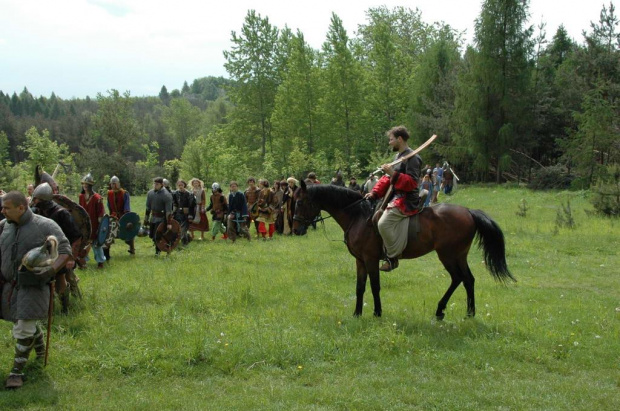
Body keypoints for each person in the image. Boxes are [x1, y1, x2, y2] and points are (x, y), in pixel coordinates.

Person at [1, 191, 72, 389]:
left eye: (6, 208)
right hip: (9, 285)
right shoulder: (4, 226)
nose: (3, 211)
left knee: (24, 327)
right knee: (24, 320)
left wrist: (50, 270)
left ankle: (17, 372)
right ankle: (40, 353)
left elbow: (65, 250)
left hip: (34, 286)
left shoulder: (45, 225)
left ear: (21, 208)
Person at [364, 126, 422, 272]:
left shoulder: (413, 158)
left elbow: (412, 183)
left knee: (383, 223)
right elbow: (386, 179)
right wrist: (375, 193)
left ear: (399, 139)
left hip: (407, 199)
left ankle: (393, 257)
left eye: (391, 140)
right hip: (395, 197)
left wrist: (393, 173)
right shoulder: (397, 158)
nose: (389, 143)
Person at [30, 182, 83, 313]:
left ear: (44, 200)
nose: (34, 201)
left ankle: (65, 309)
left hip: (61, 252)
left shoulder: (61, 213)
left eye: (36, 198)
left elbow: (76, 237)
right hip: (44, 252)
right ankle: (49, 309)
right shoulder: (37, 212)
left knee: (61, 279)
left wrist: (71, 258)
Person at [79, 173, 106, 269]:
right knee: (83, 243)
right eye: (83, 184)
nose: (85, 186)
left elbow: (101, 213)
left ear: (90, 185)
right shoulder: (81, 197)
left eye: (87, 184)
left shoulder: (97, 198)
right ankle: (83, 262)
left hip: (94, 224)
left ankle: (100, 262)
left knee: (96, 244)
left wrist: (100, 225)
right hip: (84, 225)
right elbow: (79, 210)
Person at [106, 175, 135, 258]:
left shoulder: (124, 193)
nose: (113, 185)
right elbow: (109, 206)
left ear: (118, 184)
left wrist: (126, 216)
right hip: (113, 216)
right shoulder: (109, 193)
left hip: (123, 215)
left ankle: (132, 248)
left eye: (115, 184)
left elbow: (127, 206)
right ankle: (107, 252)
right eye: (112, 184)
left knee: (129, 229)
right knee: (109, 233)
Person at [144, 177, 173, 255]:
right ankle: (158, 250)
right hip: (153, 217)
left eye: (157, 184)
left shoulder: (167, 195)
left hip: (162, 218)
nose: (155, 185)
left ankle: (159, 251)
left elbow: (168, 211)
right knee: (152, 235)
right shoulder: (150, 193)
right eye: (154, 184)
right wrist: (146, 220)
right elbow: (148, 208)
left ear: (162, 184)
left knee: (158, 236)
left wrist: (169, 223)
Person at [172, 180, 195, 246]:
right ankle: (187, 238)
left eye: (181, 185)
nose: (180, 186)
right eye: (179, 185)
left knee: (183, 229)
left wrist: (190, 215)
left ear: (184, 185)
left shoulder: (189, 194)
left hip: (186, 214)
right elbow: (174, 204)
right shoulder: (175, 193)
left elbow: (191, 206)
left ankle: (185, 243)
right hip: (177, 214)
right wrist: (173, 213)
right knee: (177, 229)